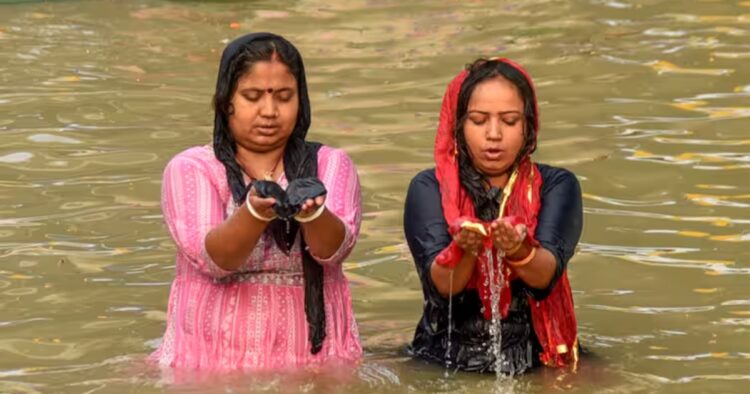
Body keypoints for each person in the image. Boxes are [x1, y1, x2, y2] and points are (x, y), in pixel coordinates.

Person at [150, 32, 362, 370]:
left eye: (284, 97)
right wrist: (252, 212)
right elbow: (215, 259)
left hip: (316, 359)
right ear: (225, 102)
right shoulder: (192, 169)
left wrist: (313, 213)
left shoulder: (331, 164)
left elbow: (334, 251)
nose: (269, 111)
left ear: (301, 100)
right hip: (210, 362)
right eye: (252, 96)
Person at [404, 58, 583, 374]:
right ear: (458, 125)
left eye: (510, 121)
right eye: (478, 120)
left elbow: (545, 277)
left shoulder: (557, 185)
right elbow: (443, 289)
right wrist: (465, 249)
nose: (494, 134)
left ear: (529, 125)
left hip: (539, 358)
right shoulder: (429, 187)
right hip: (443, 359)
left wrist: (518, 250)